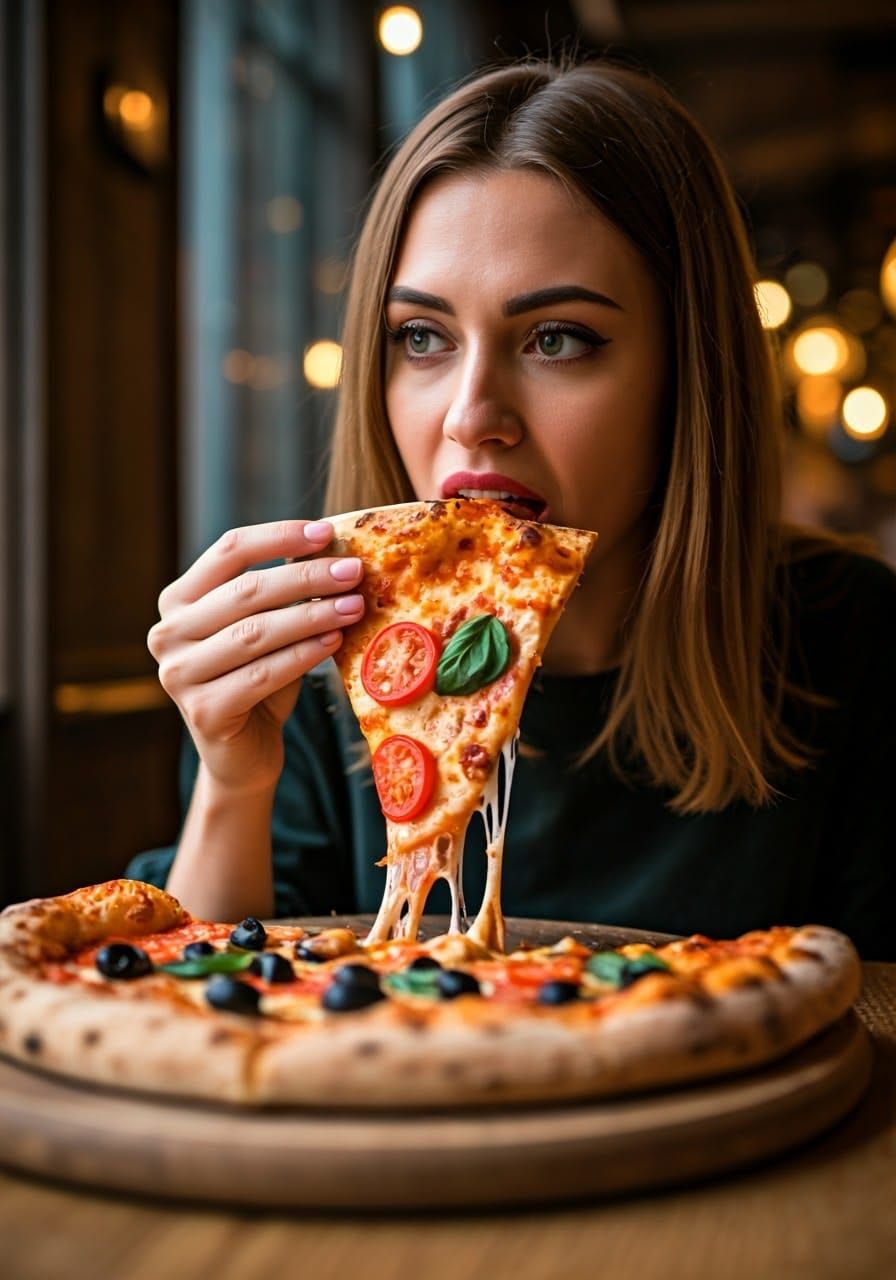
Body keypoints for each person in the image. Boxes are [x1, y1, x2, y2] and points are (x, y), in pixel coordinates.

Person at [129, 59, 896, 960]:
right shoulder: (305, 666)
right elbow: (208, 1010)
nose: (469, 415)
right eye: (422, 338)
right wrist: (231, 783)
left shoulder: (856, 641)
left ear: (688, 375)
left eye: (557, 339)